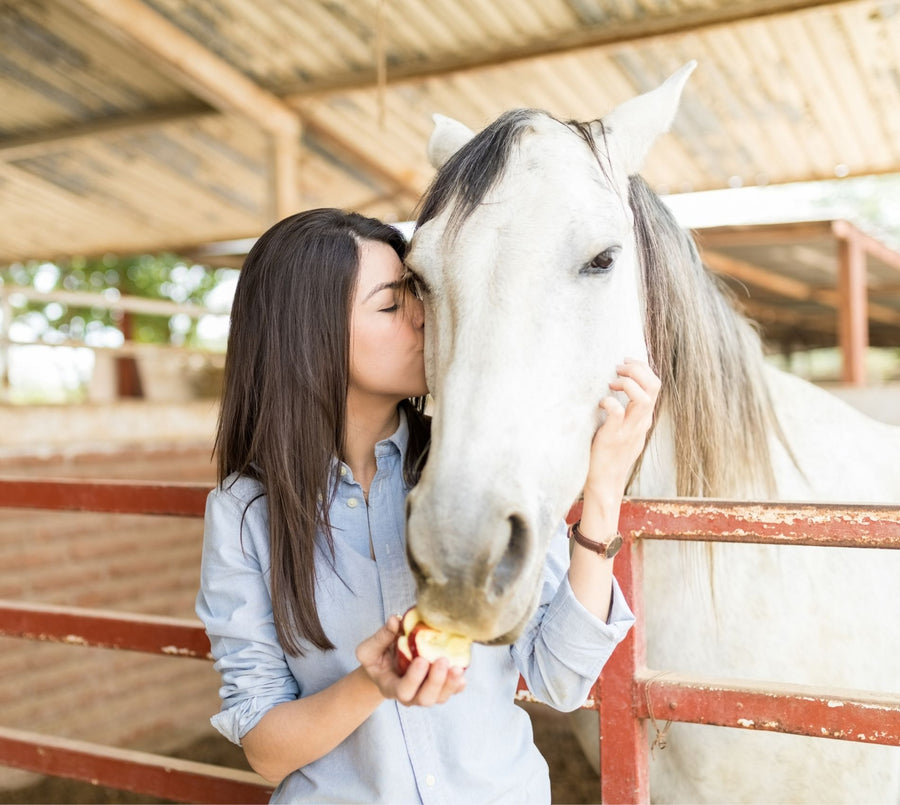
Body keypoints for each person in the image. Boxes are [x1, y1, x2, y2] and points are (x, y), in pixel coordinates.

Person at [196, 208, 660, 803]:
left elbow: (561, 677)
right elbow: (265, 751)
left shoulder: (477, 467)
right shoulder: (245, 515)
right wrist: (374, 682)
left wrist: (603, 487)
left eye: (416, 295)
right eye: (391, 307)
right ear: (308, 338)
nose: (424, 317)